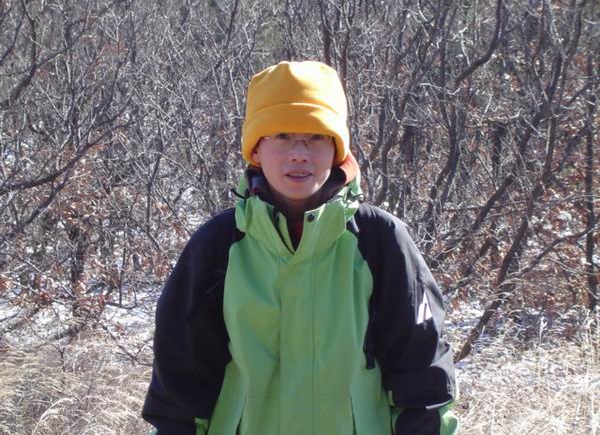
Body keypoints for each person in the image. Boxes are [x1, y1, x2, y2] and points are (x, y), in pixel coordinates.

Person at [142, 61, 458, 435]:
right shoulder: (218, 245)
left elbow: (423, 379)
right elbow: (179, 390)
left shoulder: (381, 240)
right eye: (282, 136)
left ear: (337, 149)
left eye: (316, 137)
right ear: (256, 148)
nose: (299, 153)